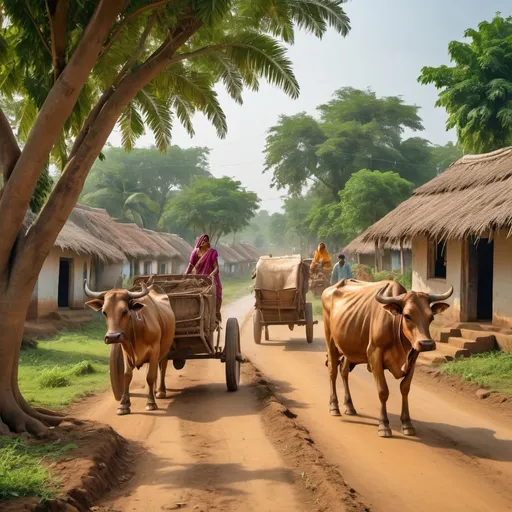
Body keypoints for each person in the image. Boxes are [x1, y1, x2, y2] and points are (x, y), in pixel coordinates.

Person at [185, 234, 222, 321]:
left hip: (210, 279)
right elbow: (190, 266)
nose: (205, 242)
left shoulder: (212, 252)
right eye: (203, 240)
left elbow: (216, 267)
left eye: (206, 240)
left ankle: (217, 313)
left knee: (218, 294)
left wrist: (211, 275)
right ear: (199, 242)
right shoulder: (195, 253)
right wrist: (184, 276)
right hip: (197, 279)